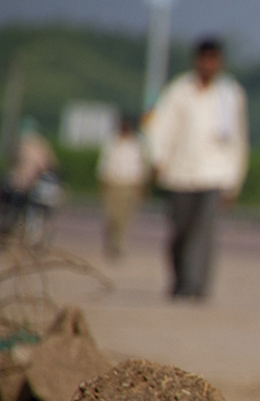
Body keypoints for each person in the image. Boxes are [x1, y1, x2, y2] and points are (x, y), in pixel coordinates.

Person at [145, 37, 249, 300]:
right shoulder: (179, 90)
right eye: (205, 59)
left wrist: (234, 180)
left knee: (205, 233)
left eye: (214, 60)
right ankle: (180, 278)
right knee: (181, 231)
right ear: (197, 61)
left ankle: (197, 285)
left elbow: (238, 139)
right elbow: (160, 127)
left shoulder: (230, 94)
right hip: (179, 173)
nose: (209, 65)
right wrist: (157, 159)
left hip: (215, 174)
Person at [96, 116, 150, 259]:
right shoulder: (112, 142)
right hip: (114, 184)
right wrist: (103, 184)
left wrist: (141, 187)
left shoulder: (137, 144)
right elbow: (104, 164)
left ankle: (118, 246)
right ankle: (110, 242)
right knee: (111, 217)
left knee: (125, 218)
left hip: (130, 184)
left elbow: (141, 166)